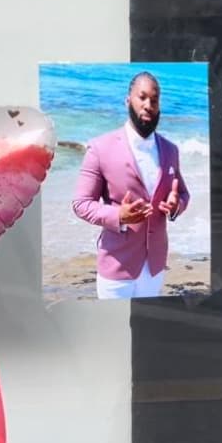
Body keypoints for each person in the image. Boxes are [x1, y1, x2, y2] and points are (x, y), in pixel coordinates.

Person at [72, 72, 190, 300]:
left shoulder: (170, 150)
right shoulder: (100, 148)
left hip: (155, 266)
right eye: (142, 97)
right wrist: (119, 215)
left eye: (154, 101)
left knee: (147, 330)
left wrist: (176, 206)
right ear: (128, 101)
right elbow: (80, 203)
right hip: (117, 266)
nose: (148, 105)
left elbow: (182, 193)